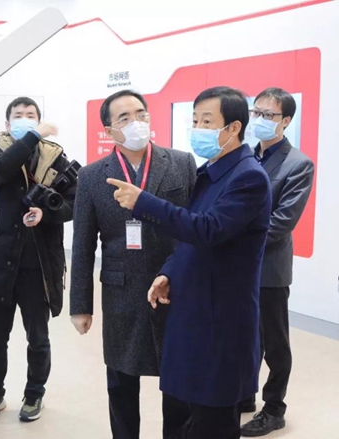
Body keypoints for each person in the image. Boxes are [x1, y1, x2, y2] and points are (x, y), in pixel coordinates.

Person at [108, 86, 272, 439]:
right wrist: (168, 272)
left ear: (233, 128)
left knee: (212, 421)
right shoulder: (210, 172)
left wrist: (143, 202)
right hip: (189, 314)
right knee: (178, 417)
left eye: (207, 121)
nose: (198, 128)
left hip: (220, 322)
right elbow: (190, 238)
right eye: (195, 120)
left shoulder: (248, 177)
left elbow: (207, 229)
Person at [69, 89, 197, 438]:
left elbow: (194, 228)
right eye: (124, 118)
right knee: (121, 380)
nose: (136, 122)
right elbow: (83, 244)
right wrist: (80, 305)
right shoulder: (92, 176)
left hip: (174, 285)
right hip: (121, 290)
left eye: (141, 114)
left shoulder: (181, 163)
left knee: (178, 380)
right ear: (109, 130)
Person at [0, 97, 77, 423]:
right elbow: (0, 172)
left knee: (38, 338)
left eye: (30, 116)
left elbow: (73, 204)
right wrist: (33, 136)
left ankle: (34, 393)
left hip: (38, 266)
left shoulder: (56, 159)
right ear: (7, 125)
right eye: (18, 116)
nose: (24, 119)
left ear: (39, 119)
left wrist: (47, 213)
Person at [239, 88, 315, 437]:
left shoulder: (297, 164)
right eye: (256, 112)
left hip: (269, 268)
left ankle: (274, 409)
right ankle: (244, 394)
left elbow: (282, 222)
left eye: (268, 115)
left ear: (285, 121)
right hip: (237, 268)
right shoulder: (244, 156)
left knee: (275, 342)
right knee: (244, 337)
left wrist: (233, 238)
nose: (259, 120)